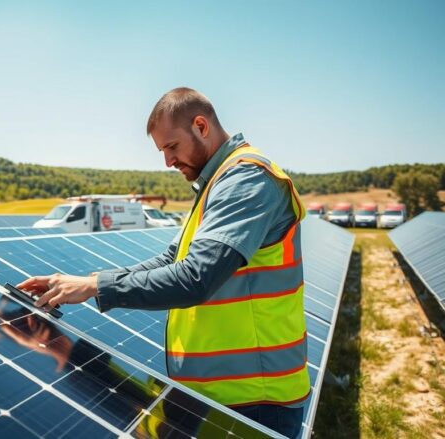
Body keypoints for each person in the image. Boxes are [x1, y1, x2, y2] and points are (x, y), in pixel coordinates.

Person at [17, 87, 309, 438]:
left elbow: (196, 278)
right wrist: (83, 282)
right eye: (162, 151)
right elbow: (172, 259)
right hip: (216, 396)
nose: (168, 162)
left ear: (201, 126)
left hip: (255, 403)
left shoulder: (246, 179)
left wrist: (96, 287)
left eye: (172, 147)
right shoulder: (216, 182)